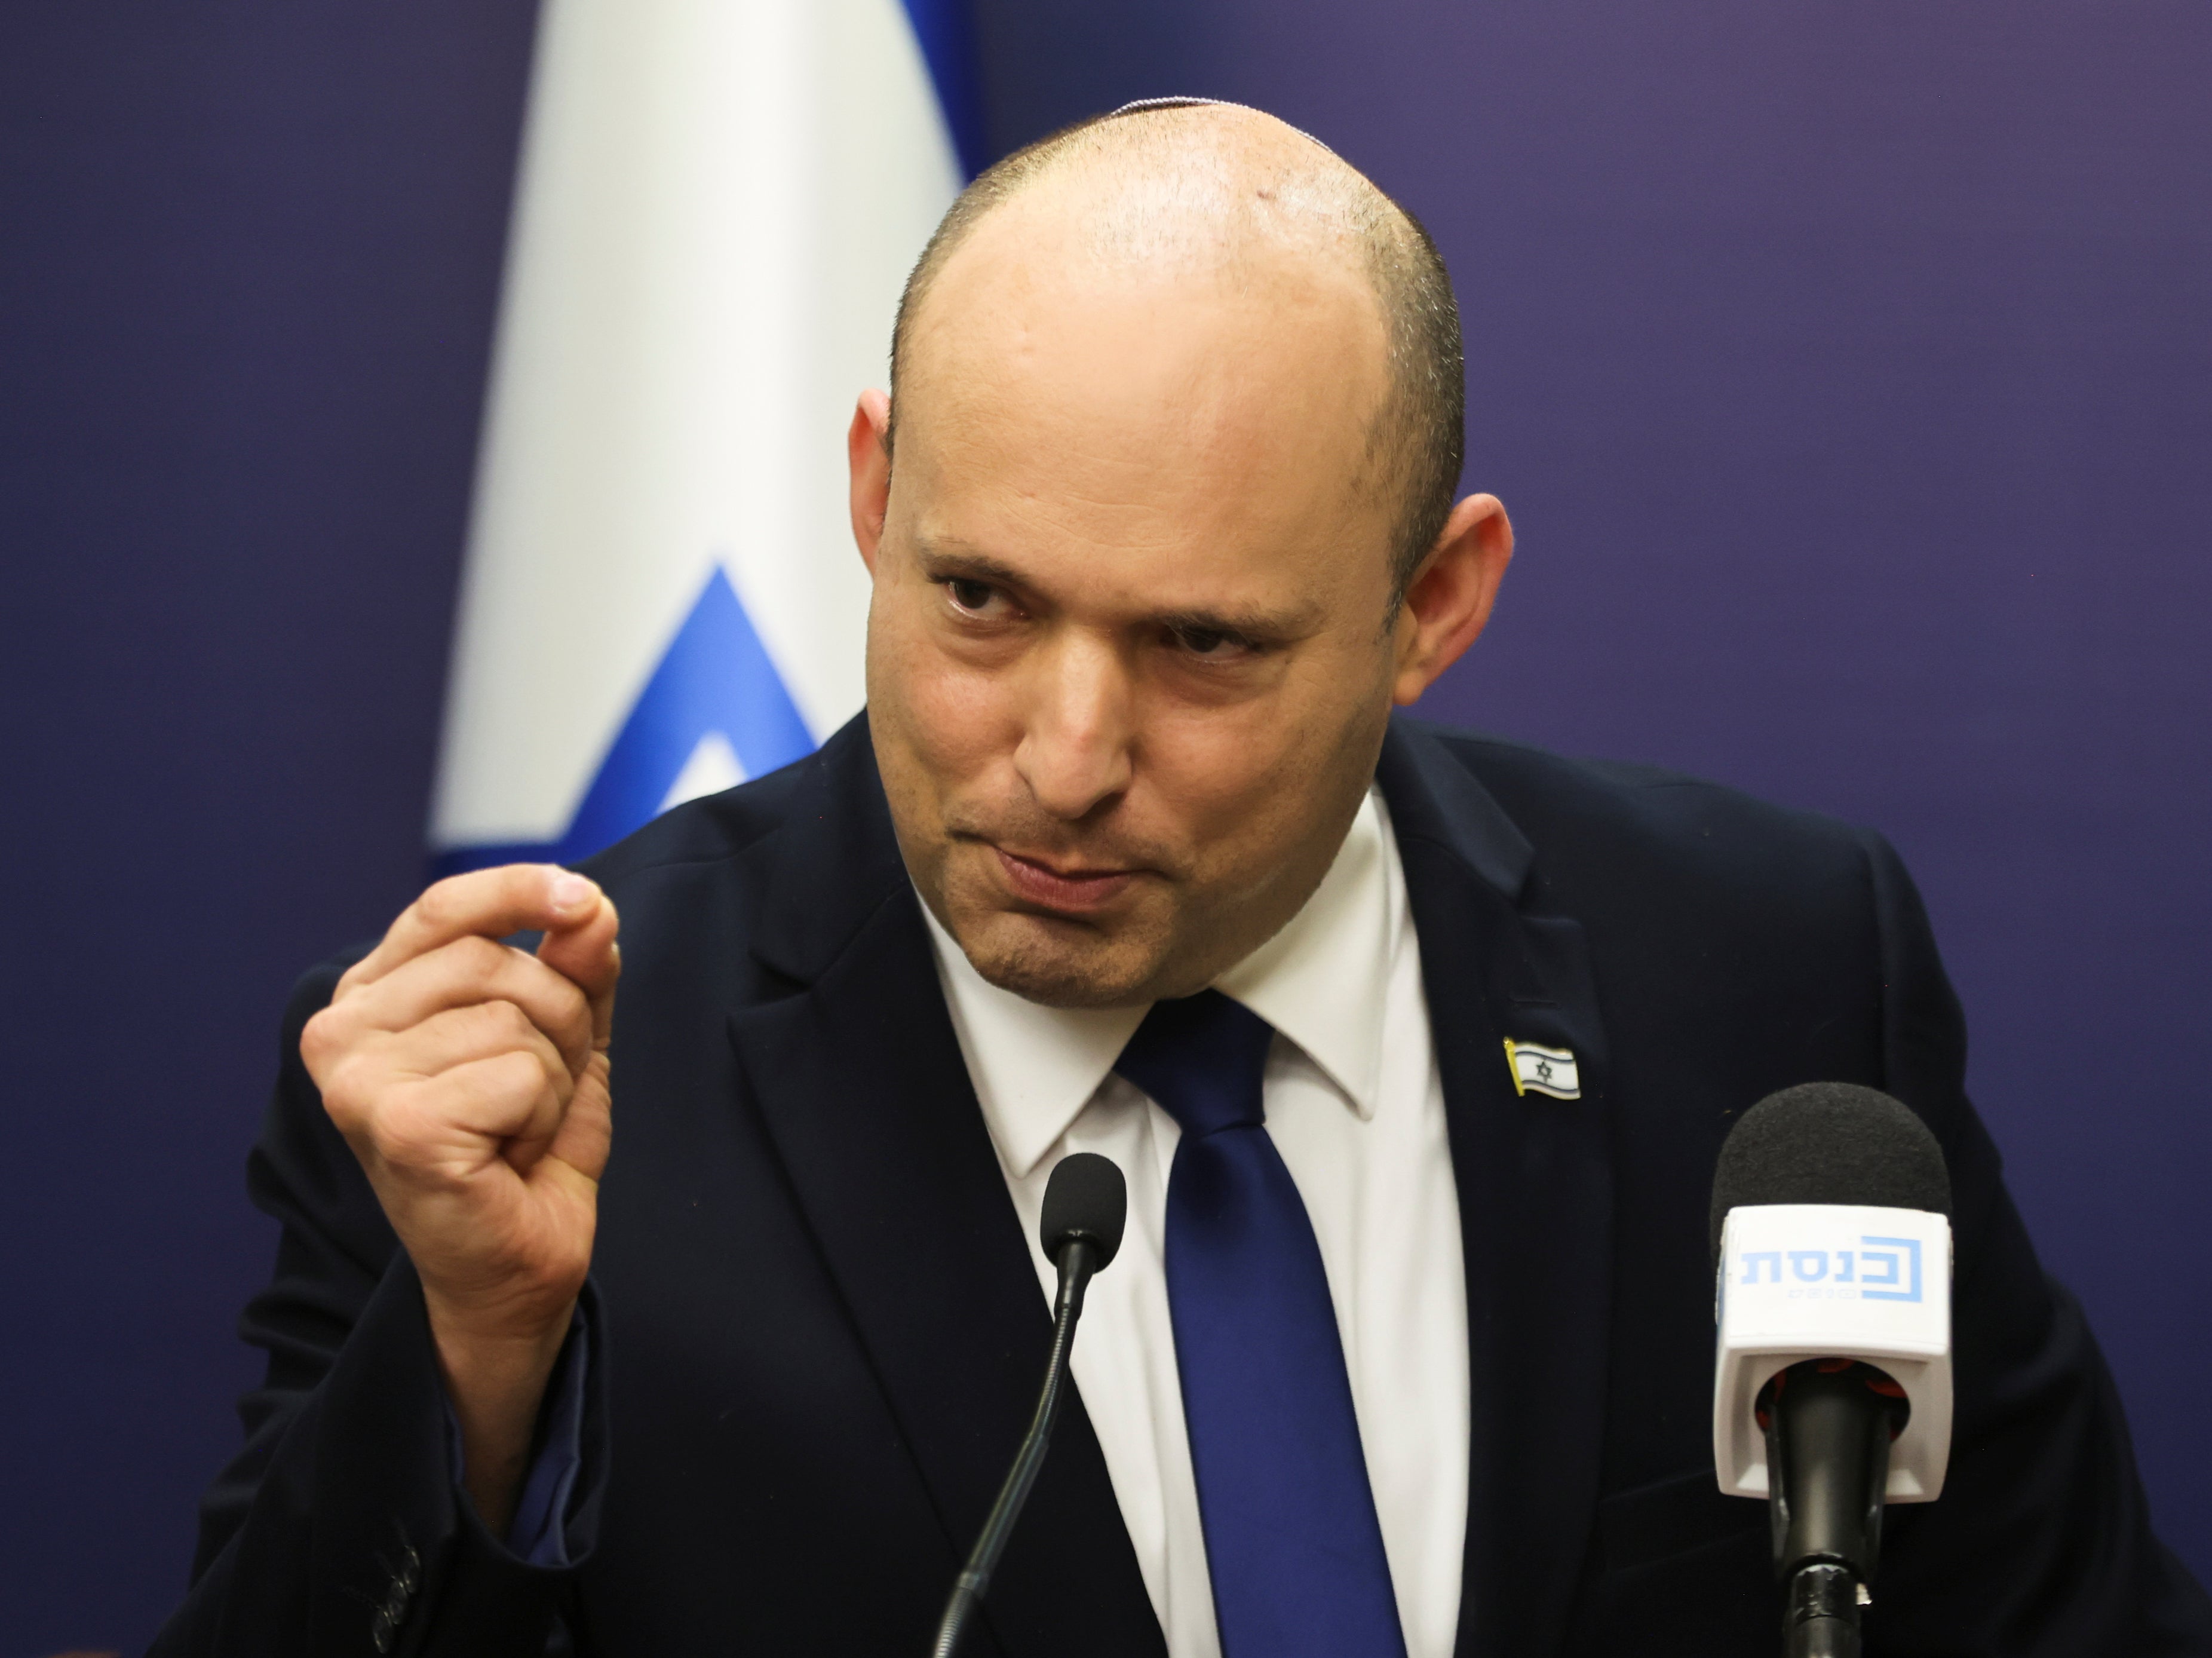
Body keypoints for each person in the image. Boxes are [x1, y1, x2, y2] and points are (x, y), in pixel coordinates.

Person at [152, 102, 2209, 1657]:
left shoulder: (1765, 979)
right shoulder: (544, 1095)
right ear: (875, 495)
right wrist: (484, 1374)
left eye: (1202, 645)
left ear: (1433, 603)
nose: (1059, 755)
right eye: (976, 596)